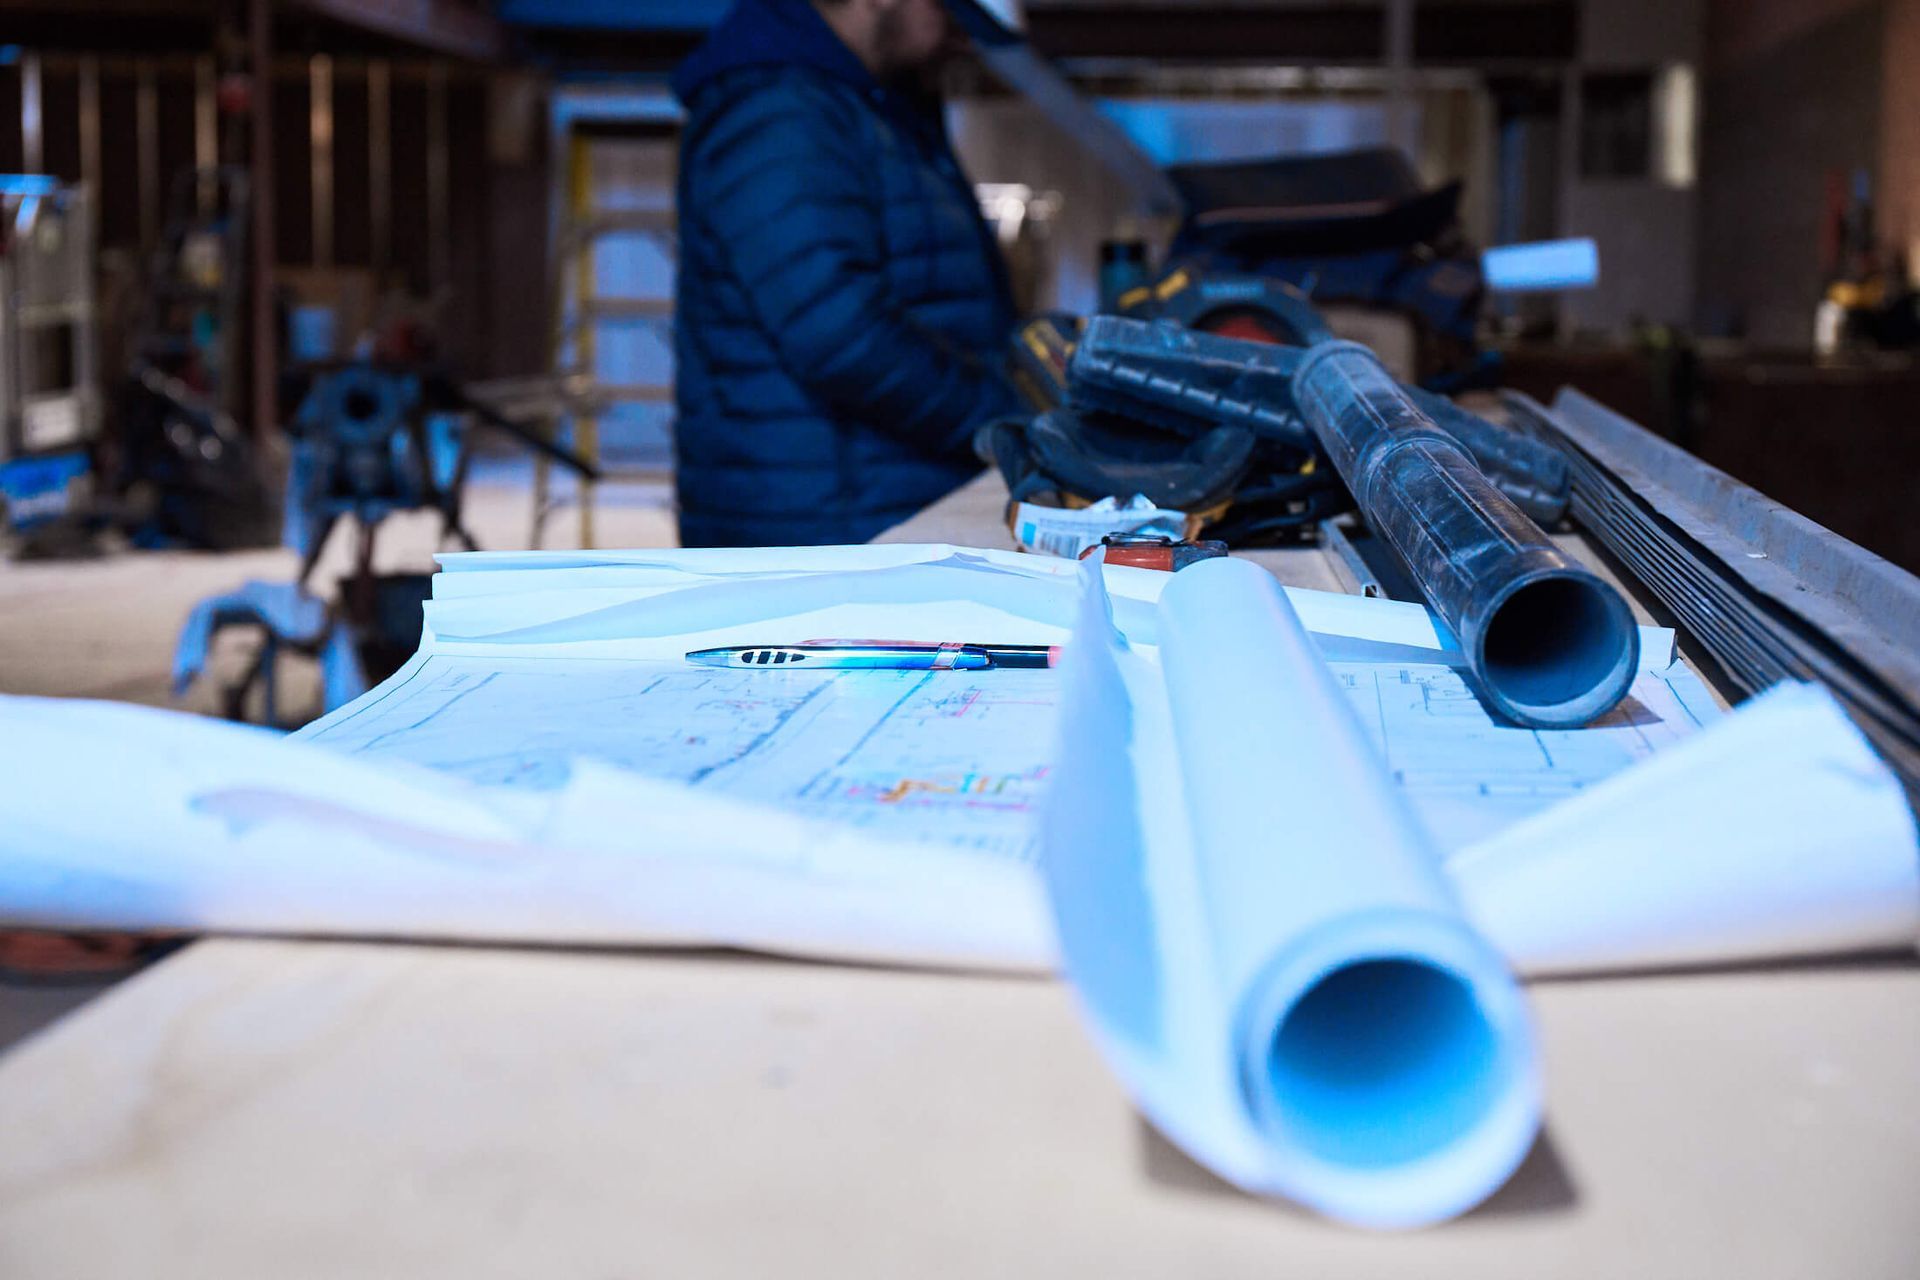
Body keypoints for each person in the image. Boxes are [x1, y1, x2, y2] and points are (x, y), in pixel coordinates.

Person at [671, 0, 1022, 547]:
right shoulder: (778, 110)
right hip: (822, 535)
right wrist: (1013, 421)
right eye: (952, 13)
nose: (962, 41)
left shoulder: (862, 106)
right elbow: (841, 336)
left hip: (868, 509)